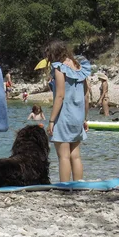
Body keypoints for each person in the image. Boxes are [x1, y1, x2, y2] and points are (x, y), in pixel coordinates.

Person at [45, 40, 90, 182]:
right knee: (75, 155)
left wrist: (52, 120)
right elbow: (86, 95)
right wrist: (84, 118)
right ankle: (78, 185)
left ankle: (64, 187)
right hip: (78, 116)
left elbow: (60, 96)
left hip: (64, 116)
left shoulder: (59, 67)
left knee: (63, 156)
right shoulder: (80, 66)